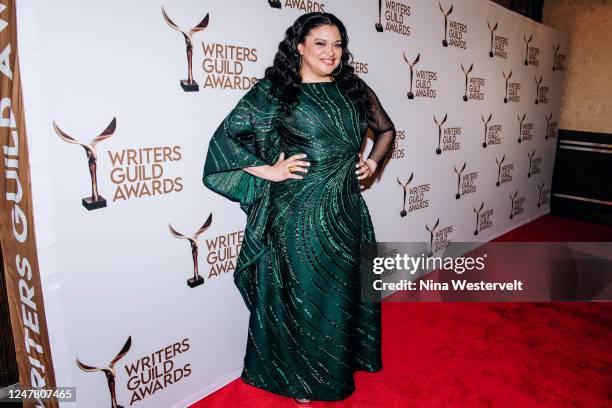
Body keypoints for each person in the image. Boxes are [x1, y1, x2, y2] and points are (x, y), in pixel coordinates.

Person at [202, 11, 396, 404]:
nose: (331, 52)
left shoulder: (353, 88)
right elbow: (223, 141)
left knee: (341, 294)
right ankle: (303, 381)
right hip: (297, 215)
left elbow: (386, 130)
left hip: (347, 212)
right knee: (303, 296)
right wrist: (269, 172)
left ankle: (339, 366)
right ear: (300, 46)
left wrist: (372, 163)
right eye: (321, 43)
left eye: (338, 44)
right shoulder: (276, 91)